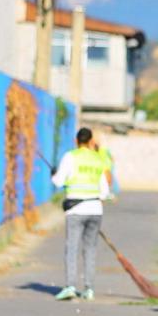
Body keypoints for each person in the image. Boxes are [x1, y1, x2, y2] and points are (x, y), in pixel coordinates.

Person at [51, 127, 110, 301]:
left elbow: (58, 181)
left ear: (76, 141)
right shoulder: (97, 160)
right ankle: (89, 289)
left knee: (72, 248)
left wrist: (53, 174)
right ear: (91, 141)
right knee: (90, 249)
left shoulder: (71, 157)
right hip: (95, 210)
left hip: (76, 210)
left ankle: (70, 286)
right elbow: (104, 192)